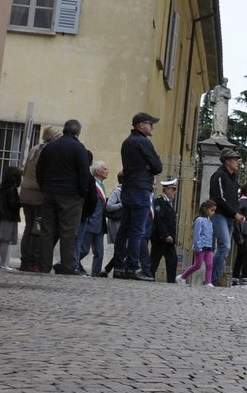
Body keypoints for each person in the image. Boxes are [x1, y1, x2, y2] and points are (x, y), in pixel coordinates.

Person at [35, 119, 93, 275]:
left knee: (47, 231)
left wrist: (45, 188)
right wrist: (81, 193)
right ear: (78, 132)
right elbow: (84, 174)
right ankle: (68, 267)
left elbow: (39, 171)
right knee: (68, 232)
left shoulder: (50, 147)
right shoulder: (78, 148)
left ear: (64, 130)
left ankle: (44, 266)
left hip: (49, 192)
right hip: (70, 195)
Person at [113, 113, 162, 281]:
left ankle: (119, 267)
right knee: (137, 232)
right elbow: (157, 166)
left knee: (124, 230)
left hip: (127, 189)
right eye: (150, 124)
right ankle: (133, 268)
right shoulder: (143, 142)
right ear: (141, 125)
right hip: (141, 189)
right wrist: (149, 166)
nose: (152, 127)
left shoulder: (127, 142)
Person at [17, 124, 59, 273]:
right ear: (54, 137)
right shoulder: (48, 150)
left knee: (29, 227)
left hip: (26, 192)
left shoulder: (35, 148)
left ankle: (25, 261)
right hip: (38, 194)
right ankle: (32, 261)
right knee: (37, 228)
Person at [208, 147, 245, 286]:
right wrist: (235, 213)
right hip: (219, 215)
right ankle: (211, 279)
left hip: (230, 218)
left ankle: (213, 280)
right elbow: (218, 198)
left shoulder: (233, 179)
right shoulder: (218, 175)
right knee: (224, 246)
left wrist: (237, 214)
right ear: (227, 161)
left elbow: (234, 200)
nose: (237, 162)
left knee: (225, 249)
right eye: (235, 159)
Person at [76, 161, 110, 276]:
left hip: (100, 224)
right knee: (84, 250)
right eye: (105, 169)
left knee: (99, 253)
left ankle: (95, 275)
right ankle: (66, 263)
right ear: (98, 171)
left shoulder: (101, 184)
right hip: (90, 222)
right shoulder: (93, 185)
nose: (107, 171)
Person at [0, 166, 22, 271]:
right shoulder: (12, 189)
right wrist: (22, 202)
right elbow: (12, 204)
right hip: (8, 218)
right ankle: (4, 264)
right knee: (5, 241)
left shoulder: (1, 189)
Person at [179, 200, 218, 286]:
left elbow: (210, 235)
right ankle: (182, 277)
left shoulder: (209, 221)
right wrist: (198, 246)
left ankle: (208, 282)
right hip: (200, 246)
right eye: (212, 210)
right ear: (205, 209)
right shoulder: (199, 220)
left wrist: (211, 246)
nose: (213, 213)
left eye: (214, 211)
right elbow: (196, 234)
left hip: (208, 247)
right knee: (198, 265)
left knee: (210, 264)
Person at [151, 179, 180, 283]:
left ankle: (171, 281)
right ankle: (149, 277)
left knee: (173, 260)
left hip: (169, 239)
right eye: (173, 189)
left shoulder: (169, 202)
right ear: (166, 189)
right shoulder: (159, 201)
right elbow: (158, 220)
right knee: (155, 259)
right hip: (160, 237)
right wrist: (165, 235)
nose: (175, 192)